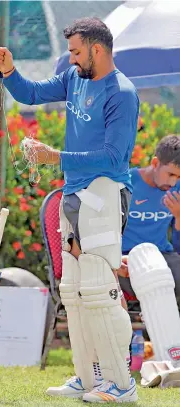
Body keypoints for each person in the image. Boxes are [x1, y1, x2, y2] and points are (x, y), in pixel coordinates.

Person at [0, 17, 139, 403]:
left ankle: (122, 384)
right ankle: (88, 379)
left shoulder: (122, 93)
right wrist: (9, 71)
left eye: (76, 52)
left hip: (105, 193)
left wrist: (55, 156)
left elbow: (113, 156)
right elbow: (32, 92)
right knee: (73, 293)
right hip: (73, 193)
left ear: (97, 49)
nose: (71, 59)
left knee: (97, 289)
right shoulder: (75, 78)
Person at [117, 135, 180, 368]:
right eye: (170, 174)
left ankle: (167, 348)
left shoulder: (177, 190)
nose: (173, 183)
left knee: (162, 276)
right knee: (154, 282)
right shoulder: (126, 183)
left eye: (179, 177)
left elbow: (177, 246)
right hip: (128, 257)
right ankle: (160, 350)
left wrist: (179, 217)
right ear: (155, 163)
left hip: (163, 256)